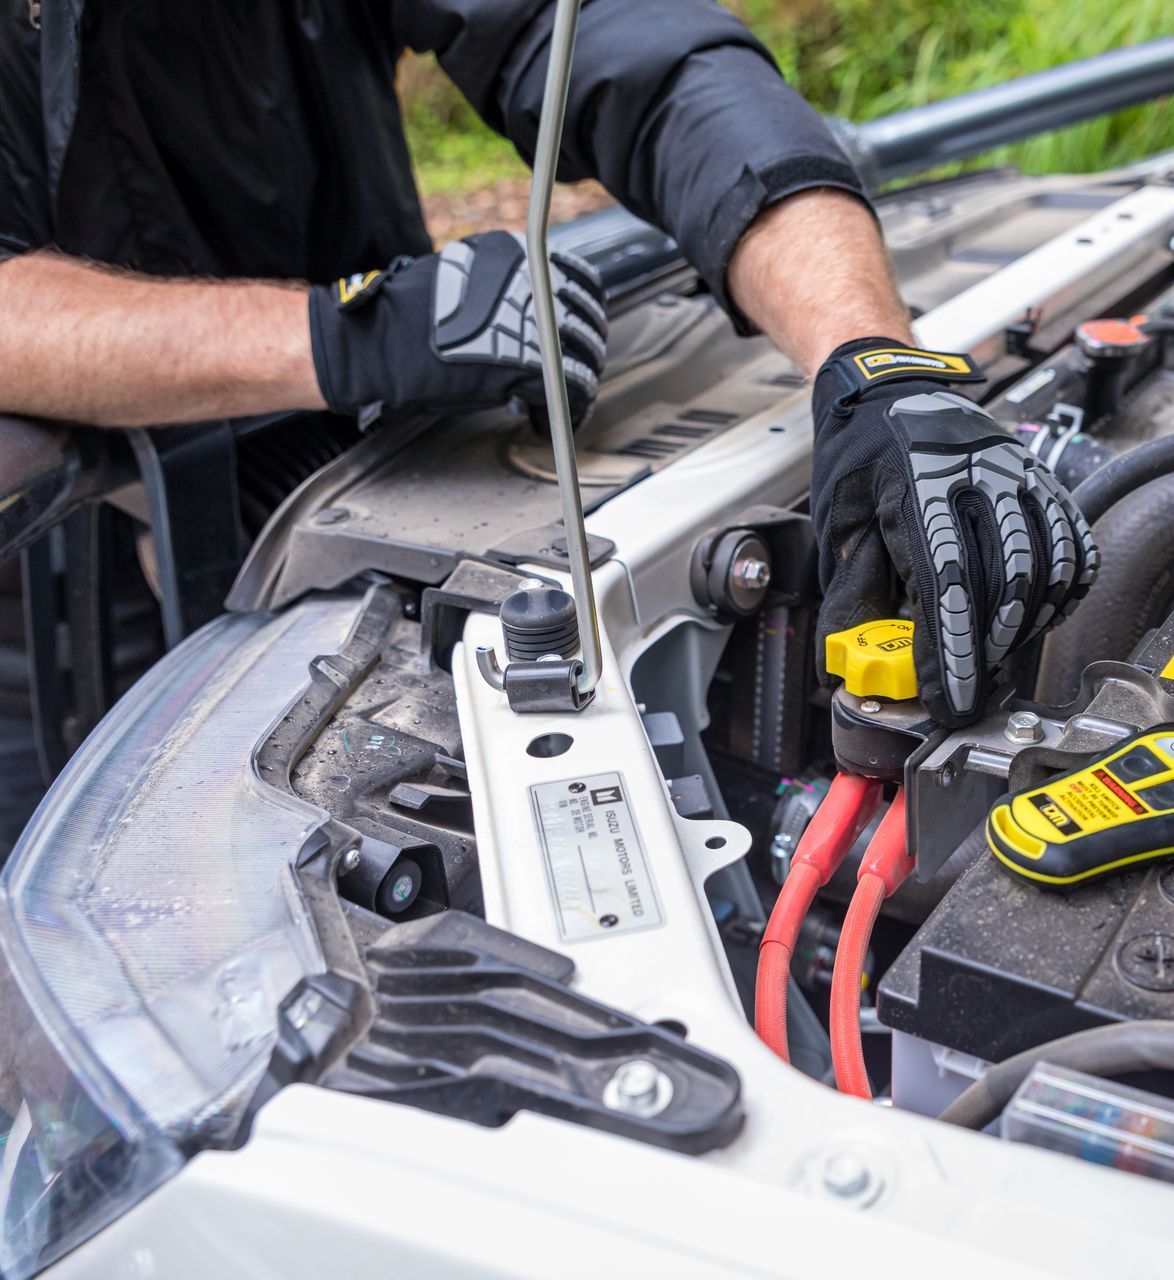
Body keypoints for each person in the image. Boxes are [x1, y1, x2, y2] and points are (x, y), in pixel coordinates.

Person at [0, 0, 1095, 840]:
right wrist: (337, 335)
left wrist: (877, 363)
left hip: (367, 469)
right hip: (42, 562)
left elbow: (643, 56)